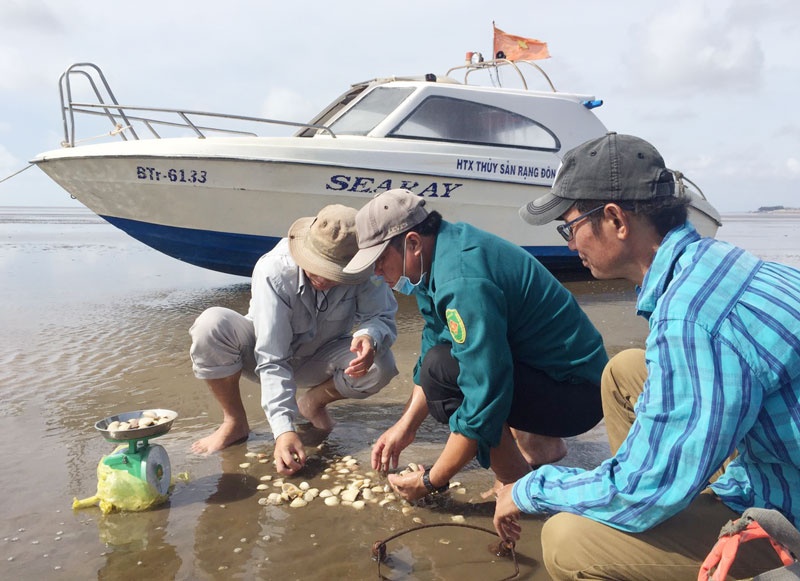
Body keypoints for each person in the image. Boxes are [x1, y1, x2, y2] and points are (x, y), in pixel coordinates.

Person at [494, 132, 800, 580]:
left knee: (567, 540)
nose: (568, 244)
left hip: (788, 513)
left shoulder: (691, 317)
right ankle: (654, 519)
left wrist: (527, 489)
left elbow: (644, 490)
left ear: (616, 219)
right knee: (624, 373)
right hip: (777, 465)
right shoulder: (713, 263)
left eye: (570, 226)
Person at [342, 189, 608, 501]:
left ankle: (515, 483)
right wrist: (406, 426)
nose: (375, 271)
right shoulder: (442, 252)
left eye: (380, 259)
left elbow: (485, 391)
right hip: (558, 375)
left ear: (413, 243)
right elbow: (436, 338)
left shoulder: (461, 280)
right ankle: (541, 445)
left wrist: (431, 480)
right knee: (441, 360)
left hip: (578, 395)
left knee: (443, 373)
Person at [189, 204, 399, 475]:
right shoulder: (273, 269)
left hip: (320, 356)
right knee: (211, 325)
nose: (323, 278)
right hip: (260, 353)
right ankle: (234, 422)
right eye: (318, 267)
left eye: (335, 273)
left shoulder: (365, 268)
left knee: (380, 363)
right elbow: (271, 357)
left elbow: (381, 316)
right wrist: (283, 431)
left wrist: (369, 335)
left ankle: (312, 403)